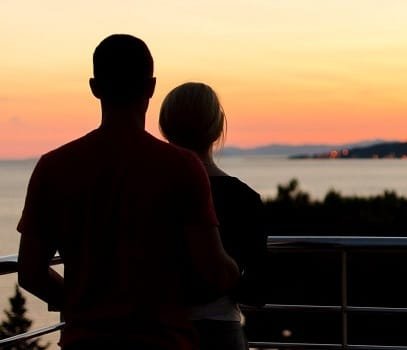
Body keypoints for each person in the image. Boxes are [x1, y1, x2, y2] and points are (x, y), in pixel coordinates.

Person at [16, 34, 240, 350]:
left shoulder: (53, 167)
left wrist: (82, 307)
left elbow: (29, 272)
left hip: (86, 341)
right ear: (151, 87)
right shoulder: (181, 167)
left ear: (94, 88)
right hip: (164, 340)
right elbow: (213, 268)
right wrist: (238, 269)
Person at [159, 82, 266, 350]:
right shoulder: (244, 198)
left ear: (165, 130)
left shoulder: (149, 192)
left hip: (158, 330)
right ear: (218, 130)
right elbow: (257, 289)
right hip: (220, 331)